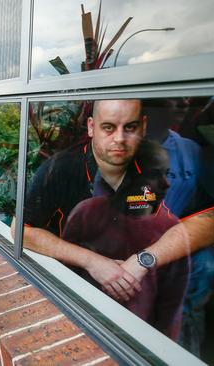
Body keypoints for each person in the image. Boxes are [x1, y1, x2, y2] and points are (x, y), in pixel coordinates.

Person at [17, 99, 214, 303]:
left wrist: (144, 261)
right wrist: (92, 262)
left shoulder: (155, 163)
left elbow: (209, 221)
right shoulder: (60, 169)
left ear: (143, 127)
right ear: (91, 127)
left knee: (207, 262)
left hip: (139, 268)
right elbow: (22, 229)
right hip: (80, 278)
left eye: (130, 127)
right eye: (108, 127)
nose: (120, 139)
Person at [62, 141, 189, 339]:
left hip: (137, 341)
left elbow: (171, 310)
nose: (167, 183)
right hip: (84, 326)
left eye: (168, 174)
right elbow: (64, 278)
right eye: (155, 174)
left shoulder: (171, 230)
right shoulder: (87, 213)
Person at [144, 98, 214, 354]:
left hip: (177, 248)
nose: (181, 106)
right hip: (131, 249)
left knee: (208, 264)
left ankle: (181, 351)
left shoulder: (191, 149)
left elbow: (208, 214)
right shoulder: (123, 148)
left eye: (183, 102)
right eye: (172, 101)